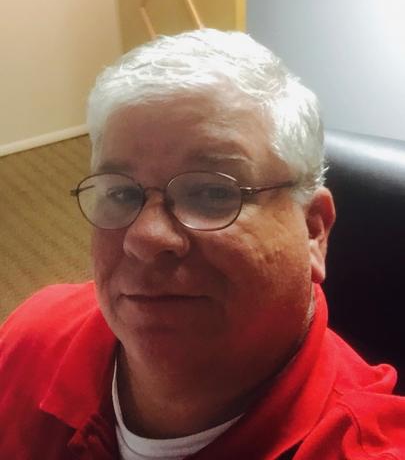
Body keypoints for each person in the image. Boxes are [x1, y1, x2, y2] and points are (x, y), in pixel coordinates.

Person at [1, 29, 404, 460]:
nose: (145, 237)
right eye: (121, 193)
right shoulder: (33, 338)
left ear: (312, 231)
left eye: (212, 192)